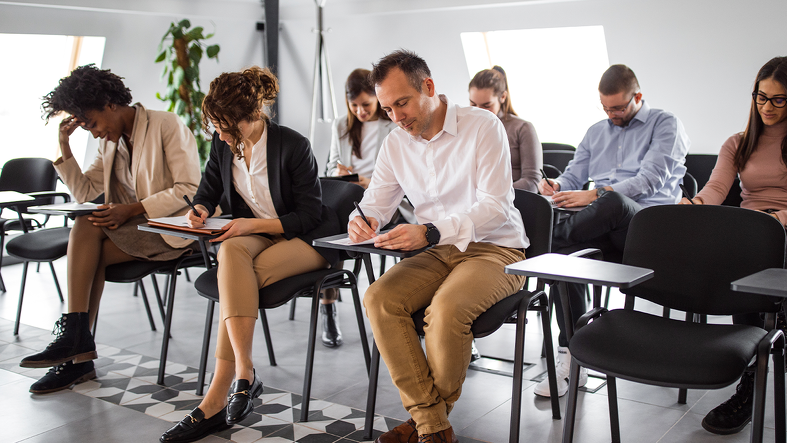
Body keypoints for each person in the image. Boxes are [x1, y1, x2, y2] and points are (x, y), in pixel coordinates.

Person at [349, 50, 528, 443]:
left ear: (428, 87)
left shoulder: (483, 127)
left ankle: (427, 426)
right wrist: (361, 221)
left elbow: (496, 207)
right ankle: (433, 424)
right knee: (379, 298)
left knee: (445, 311)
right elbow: (374, 203)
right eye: (387, 108)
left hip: (496, 248)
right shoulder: (397, 143)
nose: (396, 117)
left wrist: (430, 232)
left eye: (402, 103)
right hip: (437, 252)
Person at [160, 67, 339, 443]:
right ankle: (245, 371)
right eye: (216, 128)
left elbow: (308, 215)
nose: (221, 136)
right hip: (256, 234)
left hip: (308, 239)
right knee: (233, 252)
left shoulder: (293, 145)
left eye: (227, 128)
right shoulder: (222, 142)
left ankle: (214, 400)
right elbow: (208, 188)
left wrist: (249, 226)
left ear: (254, 115)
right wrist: (201, 209)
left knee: (236, 273)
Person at [20, 64, 201, 393]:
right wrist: (64, 145)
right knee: (88, 225)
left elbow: (188, 188)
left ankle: (76, 350)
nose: (93, 132)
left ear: (110, 104)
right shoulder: (110, 141)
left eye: (92, 123)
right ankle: (77, 345)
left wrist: (130, 209)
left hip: (174, 227)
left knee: (89, 238)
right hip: (137, 227)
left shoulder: (166, 124)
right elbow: (87, 194)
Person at [683, 56, 787, 436]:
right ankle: (786, 342)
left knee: (748, 265)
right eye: (760, 97)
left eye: (778, 100)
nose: (766, 107)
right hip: (748, 236)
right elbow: (716, 189)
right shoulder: (738, 142)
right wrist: (695, 205)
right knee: (735, 263)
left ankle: (750, 386)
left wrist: (776, 221)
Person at [535, 64, 691, 398]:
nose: (612, 114)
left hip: (649, 225)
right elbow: (575, 174)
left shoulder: (666, 124)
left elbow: (649, 181)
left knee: (613, 201)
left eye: (619, 108)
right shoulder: (595, 131)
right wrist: (557, 186)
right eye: (606, 108)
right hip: (605, 225)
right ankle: (572, 361)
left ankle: (535, 246)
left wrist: (595, 194)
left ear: (638, 96)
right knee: (565, 259)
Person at [322, 69, 396, 347]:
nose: (360, 111)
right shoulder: (341, 124)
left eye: (366, 104)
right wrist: (340, 173)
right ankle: (328, 305)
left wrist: (371, 181)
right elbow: (329, 166)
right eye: (354, 105)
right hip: (349, 195)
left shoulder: (392, 122)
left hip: (384, 198)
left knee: (335, 222)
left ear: (377, 98)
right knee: (334, 221)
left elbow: (400, 170)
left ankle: (332, 296)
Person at [468, 66, 542, 192]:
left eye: (486, 105)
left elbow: (532, 182)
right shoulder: (467, 128)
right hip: (475, 200)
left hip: (512, 201)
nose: (479, 111)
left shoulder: (523, 128)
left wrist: (493, 195)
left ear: (502, 97)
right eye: (473, 104)